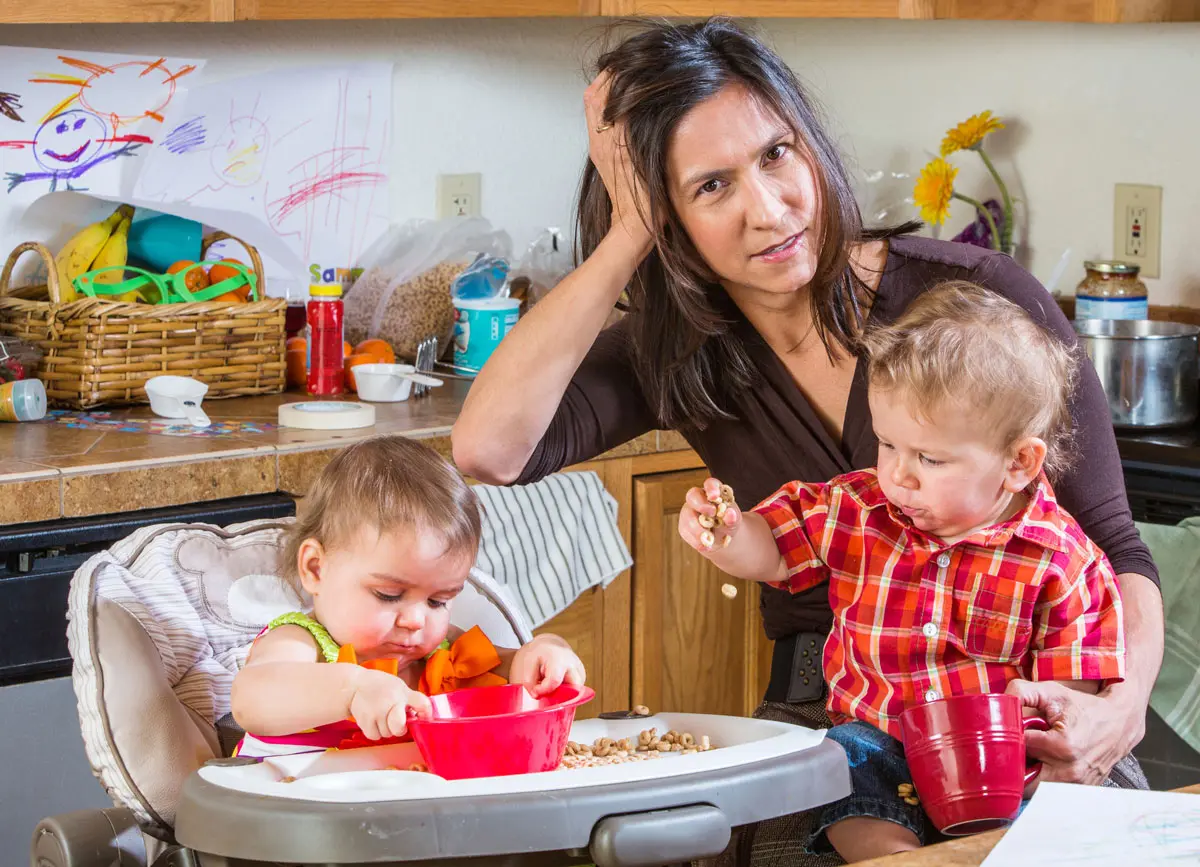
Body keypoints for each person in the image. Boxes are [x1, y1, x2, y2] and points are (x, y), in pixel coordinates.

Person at [452, 15, 1163, 865]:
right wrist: (626, 234)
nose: (768, 208)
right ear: (665, 211)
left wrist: (1118, 710)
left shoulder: (975, 306)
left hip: (1033, 707)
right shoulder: (675, 351)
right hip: (833, 710)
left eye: (776, 155)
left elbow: (1113, 543)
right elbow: (486, 449)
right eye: (709, 187)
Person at [677, 282, 1125, 862]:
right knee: (838, 763)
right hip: (878, 742)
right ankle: (892, 858)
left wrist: (1044, 716)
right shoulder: (857, 508)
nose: (899, 476)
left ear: (1018, 462)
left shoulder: (1064, 560)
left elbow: (1076, 693)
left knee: (1060, 807)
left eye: (929, 459)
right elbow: (774, 550)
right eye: (888, 445)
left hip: (998, 763)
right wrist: (730, 534)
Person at [231, 436, 585, 756]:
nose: (416, 620)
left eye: (438, 601)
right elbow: (251, 699)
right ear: (315, 569)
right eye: (388, 595)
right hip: (286, 816)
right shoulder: (300, 642)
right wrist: (351, 690)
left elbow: (514, 668)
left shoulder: (438, 649)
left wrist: (545, 653)